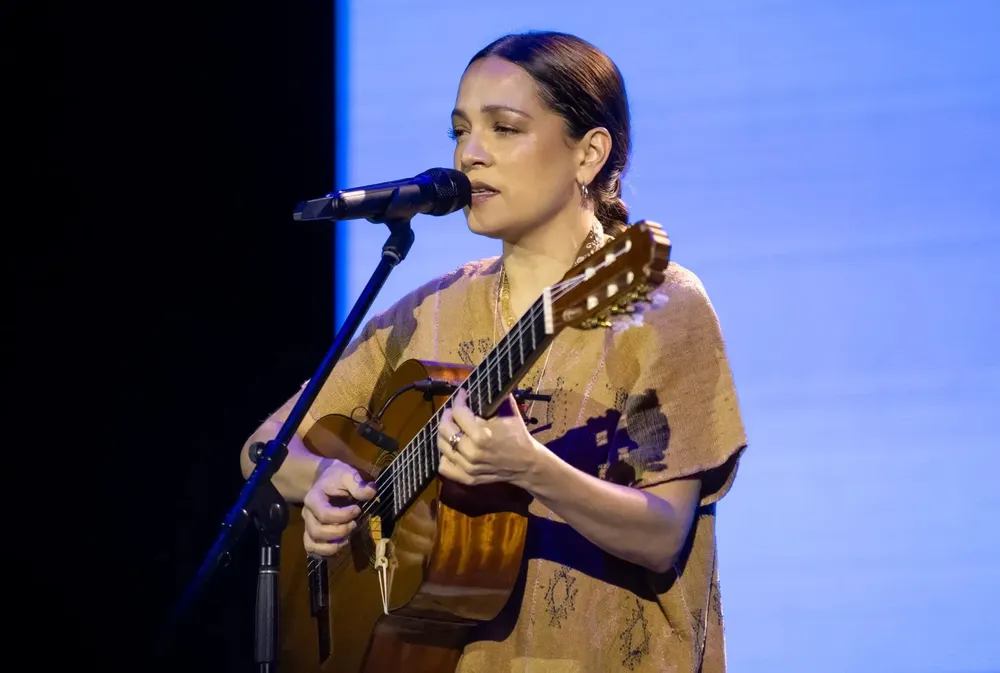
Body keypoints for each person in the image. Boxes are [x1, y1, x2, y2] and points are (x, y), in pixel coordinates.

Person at [241, 30, 747, 673]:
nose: (469, 155)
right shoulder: (431, 310)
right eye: (460, 131)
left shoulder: (656, 306)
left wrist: (533, 469)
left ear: (589, 153)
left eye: (504, 129)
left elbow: (661, 534)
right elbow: (262, 450)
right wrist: (324, 484)